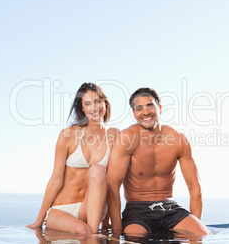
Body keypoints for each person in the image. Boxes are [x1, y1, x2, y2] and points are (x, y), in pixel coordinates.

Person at [107, 87, 212, 235]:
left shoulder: (177, 140)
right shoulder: (126, 139)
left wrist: (196, 223)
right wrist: (117, 232)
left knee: (203, 235)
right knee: (134, 238)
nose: (145, 112)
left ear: (159, 108)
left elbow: (195, 187)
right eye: (139, 108)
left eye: (150, 105)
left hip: (170, 208)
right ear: (134, 113)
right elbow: (112, 187)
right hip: (138, 211)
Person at [27, 83, 119, 234]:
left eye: (97, 101)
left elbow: (111, 183)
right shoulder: (68, 135)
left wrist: (109, 221)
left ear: (105, 103)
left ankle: (94, 234)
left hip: (91, 209)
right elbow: (55, 180)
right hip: (62, 208)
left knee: (97, 170)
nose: (94, 107)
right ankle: (92, 235)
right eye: (88, 103)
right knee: (83, 230)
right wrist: (38, 221)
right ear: (82, 108)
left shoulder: (115, 135)